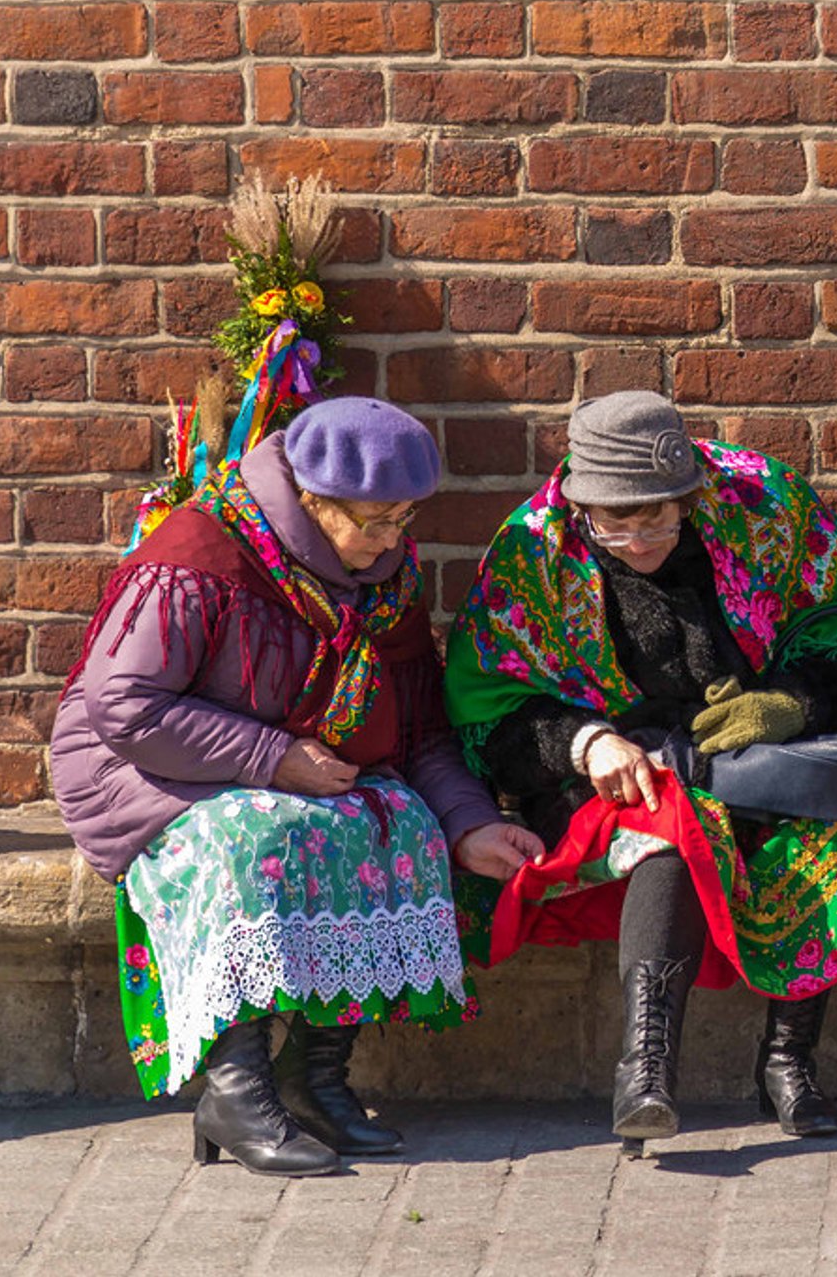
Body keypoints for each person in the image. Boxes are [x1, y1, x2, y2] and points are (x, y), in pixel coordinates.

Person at [50, 397, 543, 1176]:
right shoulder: (202, 549)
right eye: (375, 519)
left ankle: (313, 1080)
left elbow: (418, 730)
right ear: (313, 501)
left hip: (286, 763)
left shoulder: (388, 578)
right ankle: (234, 1089)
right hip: (141, 764)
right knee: (257, 836)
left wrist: (467, 823)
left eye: (404, 517)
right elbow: (125, 705)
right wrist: (273, 756)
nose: (392, 538)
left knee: (396, 819)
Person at [443, 390, 837, 1150]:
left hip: (760, 764)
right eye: (613, 523)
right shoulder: (532, 550)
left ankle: (788, 1061)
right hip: (612, 778)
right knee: (672, 823)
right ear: (578, 504)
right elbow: (484, 709)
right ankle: (646, 1068)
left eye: (658, 517)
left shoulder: (763, 506)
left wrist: (792, 701)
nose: (636, 540)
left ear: (693, 494)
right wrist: (585, 740)